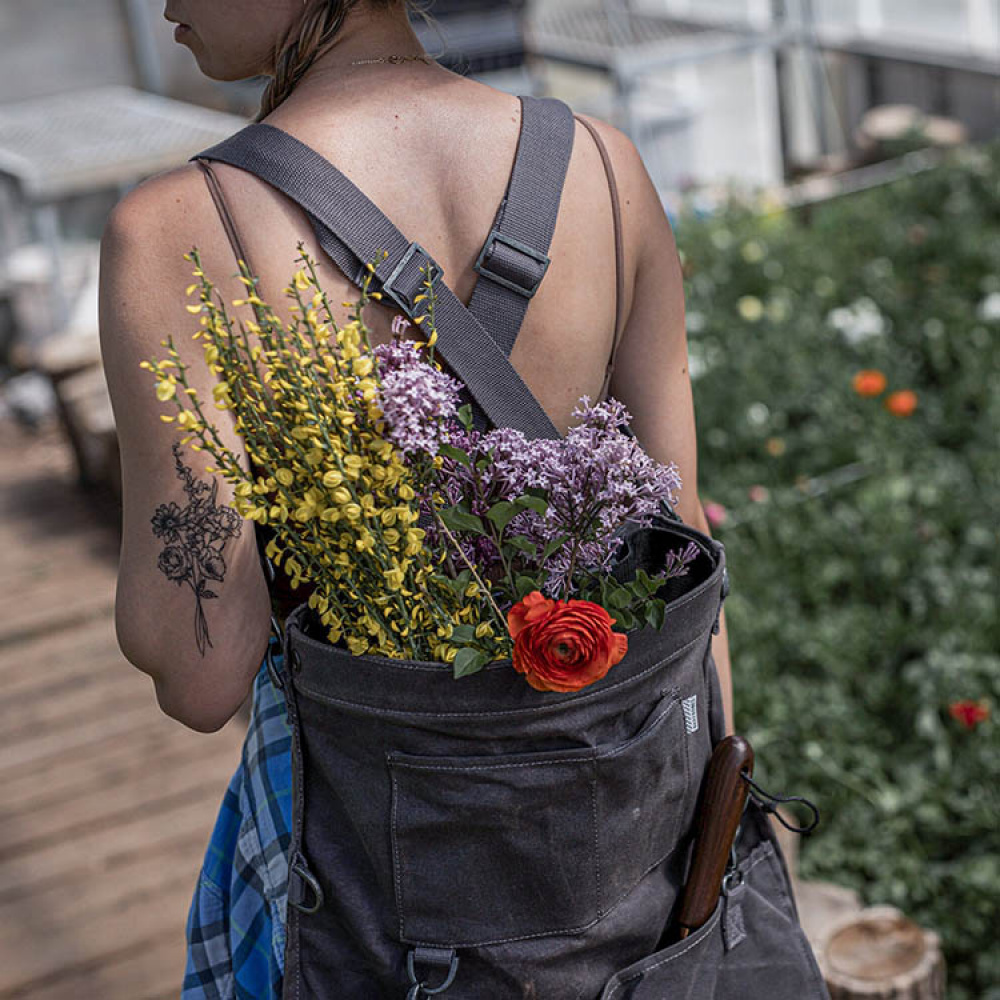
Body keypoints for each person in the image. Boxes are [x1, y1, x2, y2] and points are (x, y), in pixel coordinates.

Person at [99, 0, 733, 995]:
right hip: (622, 876)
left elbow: (201, 668)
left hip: (377, 900)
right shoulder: (604, 166)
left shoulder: (178, 227)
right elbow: (682, 555)